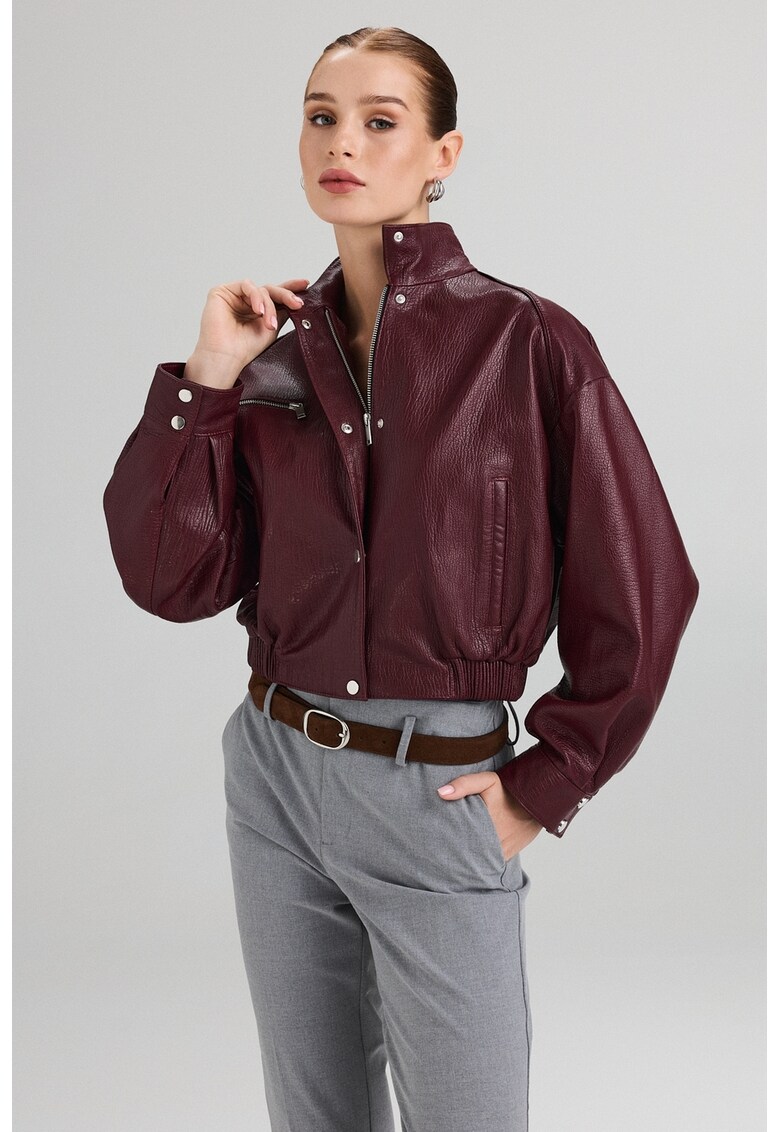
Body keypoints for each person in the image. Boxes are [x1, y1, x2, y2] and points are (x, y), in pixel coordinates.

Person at [102, 25, 699, 1132]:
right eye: (321, 117)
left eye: (381, 121)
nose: (343, 143)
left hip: (437, 788)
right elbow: (170, 579)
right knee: (315, 1116)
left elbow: (646, 584)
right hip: (275, 774)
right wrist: (208, 378)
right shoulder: (272, 351)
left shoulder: (527, 341)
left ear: (443, 153)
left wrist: (550, 778)